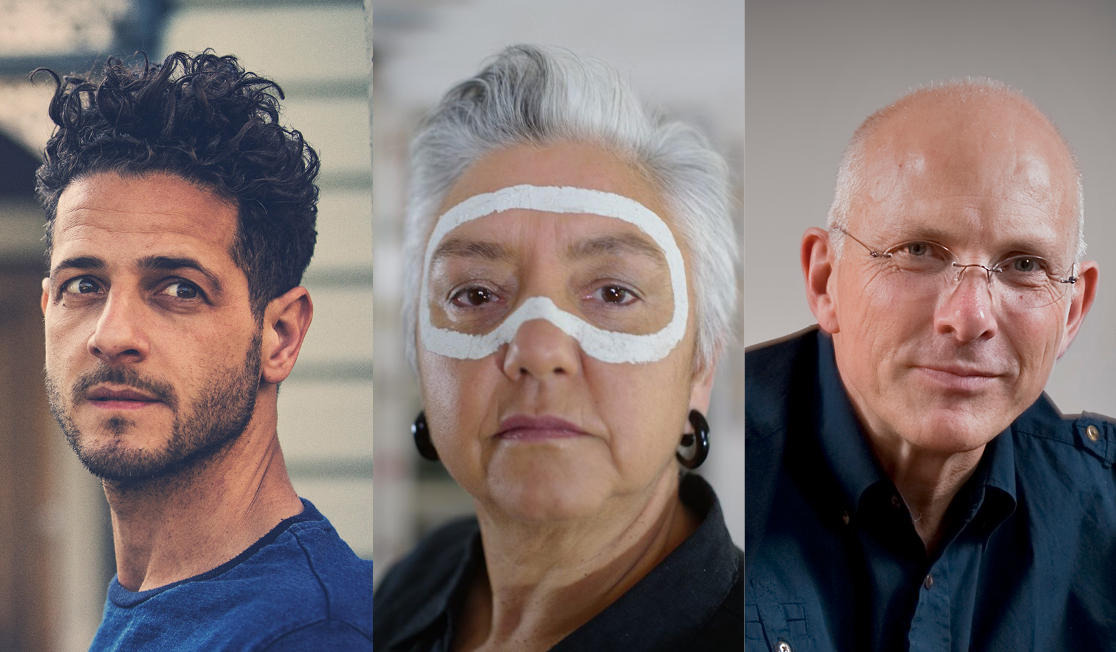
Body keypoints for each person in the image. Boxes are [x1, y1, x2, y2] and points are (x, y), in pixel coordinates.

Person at [372, 45, 742, 650]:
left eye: (615, 292)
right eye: (474, 294)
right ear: (419, 355)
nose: (539, 348)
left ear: (701, 364)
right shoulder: (414, 583)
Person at [745, 79, 1116, 650]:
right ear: (825, 281)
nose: (969, 319)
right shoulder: (693, 486)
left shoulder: (1105, 513)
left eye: (1023, 264)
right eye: (918, 252)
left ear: (1071, 312)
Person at [36, 51, 373, 649]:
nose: (111, 335)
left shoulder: (310, 635)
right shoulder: (156, 602)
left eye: (179, 289)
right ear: (47, 309)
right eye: (83, 286)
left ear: (281, 336)